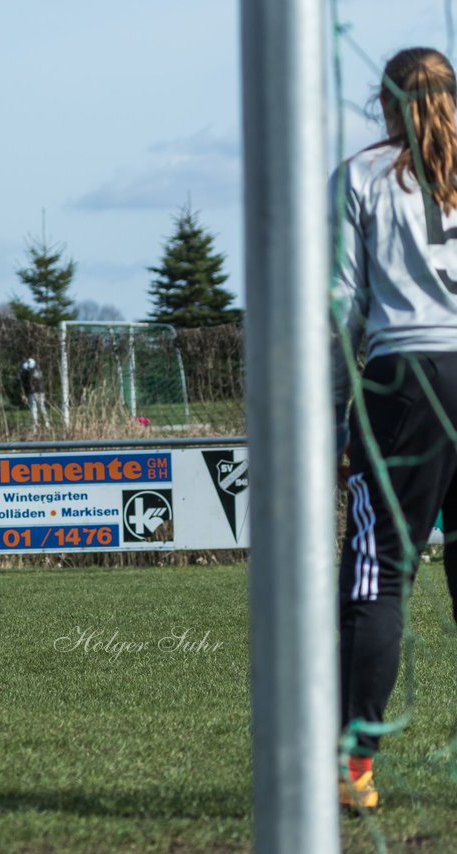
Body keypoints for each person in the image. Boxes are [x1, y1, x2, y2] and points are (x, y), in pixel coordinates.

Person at [331, 46, 457, 812]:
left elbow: (342, 306)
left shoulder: (364, 175)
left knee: (380, 574)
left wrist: (334, 410)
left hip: (407, 378)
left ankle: (355, 770)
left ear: (385, 104)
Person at [20, 357, 48, 431]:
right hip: (39, 393)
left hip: (34, 393)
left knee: (35, 410)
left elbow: (26, 384)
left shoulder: (29, 373)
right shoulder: (38, 371)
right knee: (40, 409)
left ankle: (37, 428)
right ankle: (45, 426)